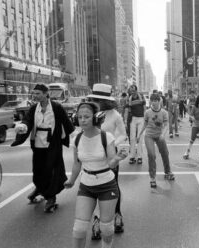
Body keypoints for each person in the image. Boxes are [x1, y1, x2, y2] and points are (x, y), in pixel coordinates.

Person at [64, 102, 128, 248]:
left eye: (86, 116)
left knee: (106, 229)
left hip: (107, 185)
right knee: (79, 229)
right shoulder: (77, 139)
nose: (83, 120)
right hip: (86, 186)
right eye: (79, 117)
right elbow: (77, 163)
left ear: (96, 118)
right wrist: (71, 180)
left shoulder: (107, 137)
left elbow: (111, 164)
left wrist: (117, 158)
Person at [12, 84, 75, 212]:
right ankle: (39, 188)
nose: (35, 96)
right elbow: (27, 120)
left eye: (38, 93)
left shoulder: (56, 107)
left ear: (46, 94)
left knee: (52, 170)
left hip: (53, 143)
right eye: (33, 93)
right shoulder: (34, 108)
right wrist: (23, 126)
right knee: (38, 169)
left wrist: (75, 138)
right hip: (37, 143)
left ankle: (51, 197)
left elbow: (66, 123)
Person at [86, 83, 127, 236]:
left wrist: (110, 144)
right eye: (95, 98)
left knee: (113, 185)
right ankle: (97, 220)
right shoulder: (88, 112)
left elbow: (123, 134)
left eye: (99, 99)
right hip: (92, 156)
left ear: (106, 100)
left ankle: (117, 215)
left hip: (110, 155)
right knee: (94, 187)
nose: (96, 102)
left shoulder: (115, 115)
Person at [138, 93, 175, 188]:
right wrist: (140, 134)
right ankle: (152, 177)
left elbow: (166, 125)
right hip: (149, 135)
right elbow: (145, 124)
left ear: (159, 101)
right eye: (152, 100)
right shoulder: (147, 112)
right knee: (151, 155)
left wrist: (163, 134)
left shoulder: (164, 112)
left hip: (159, 135)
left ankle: (168, 172)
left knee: (165, 153)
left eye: (156, 100)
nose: (154, 102)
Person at [124, 85, 146, 165]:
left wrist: (145, 119)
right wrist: (125, 121)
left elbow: (144, 108)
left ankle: (139, 157)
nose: (132, 92)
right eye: (131, 91)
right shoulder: (128, 98)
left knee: (139, 138)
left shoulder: (141, 96)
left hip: (141, 119)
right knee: (132, 138)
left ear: (136, 90)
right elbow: (126, 110)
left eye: (133, 91)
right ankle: (132, 156)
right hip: (133, 119)